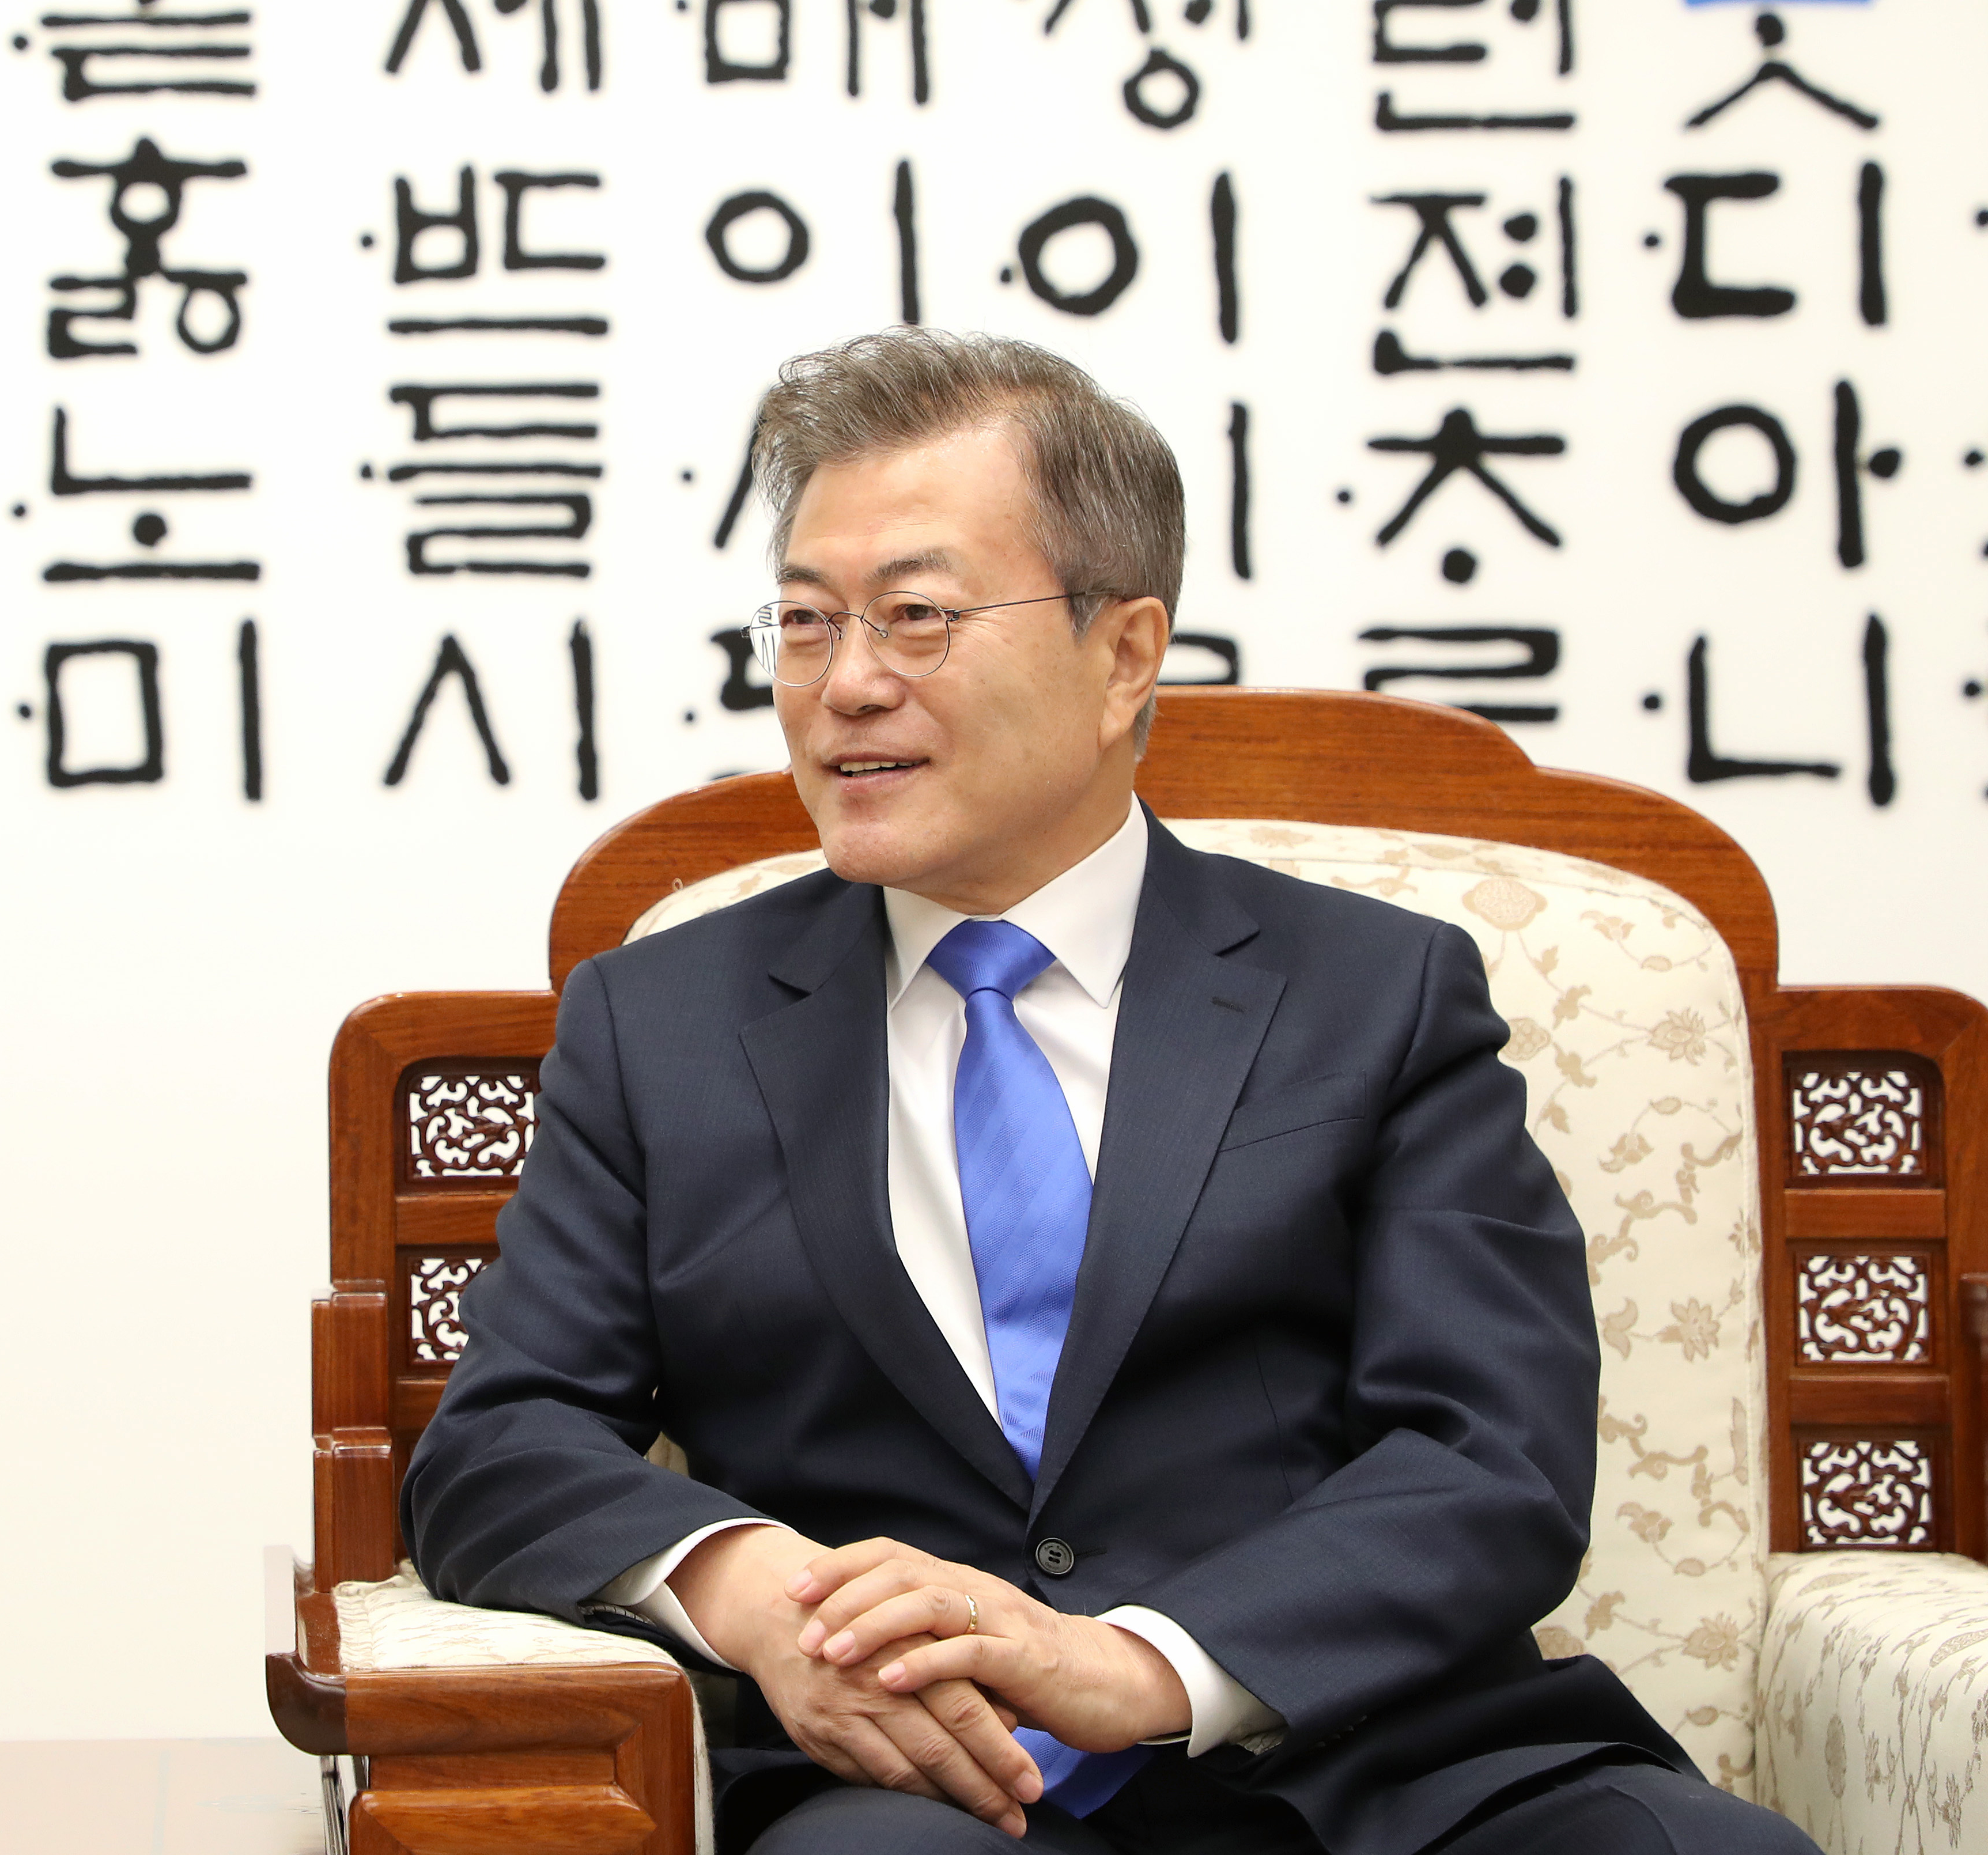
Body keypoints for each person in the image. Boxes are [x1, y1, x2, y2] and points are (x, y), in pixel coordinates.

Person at [399, 329, 1819, 1855]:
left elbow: (1494, 1456)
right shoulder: (660, 1019)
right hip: (920, 1788)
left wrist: (1132, 1660)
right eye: (807, 622)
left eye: (917, 616)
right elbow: (500, 1444)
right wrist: (753, 1591)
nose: (847, 684)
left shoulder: (1376, 993)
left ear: (1125, 652)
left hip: (1383, 1768)